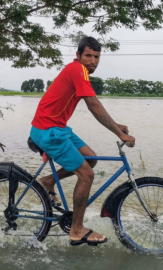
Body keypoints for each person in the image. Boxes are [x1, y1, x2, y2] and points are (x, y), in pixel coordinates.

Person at [29, 36, 136, 246]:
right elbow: (93, 105)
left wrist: (116, 125)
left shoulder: (80, 72)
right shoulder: (77, 70)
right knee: (86, 175)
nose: (93, 60)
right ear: (78, 56)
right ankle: (77, 230)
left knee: (91, 158)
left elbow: (94, 103)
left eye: (97, 56)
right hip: (48, 130)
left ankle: (48, 181)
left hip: (57, 128)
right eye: (88, 55)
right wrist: (119, 133)